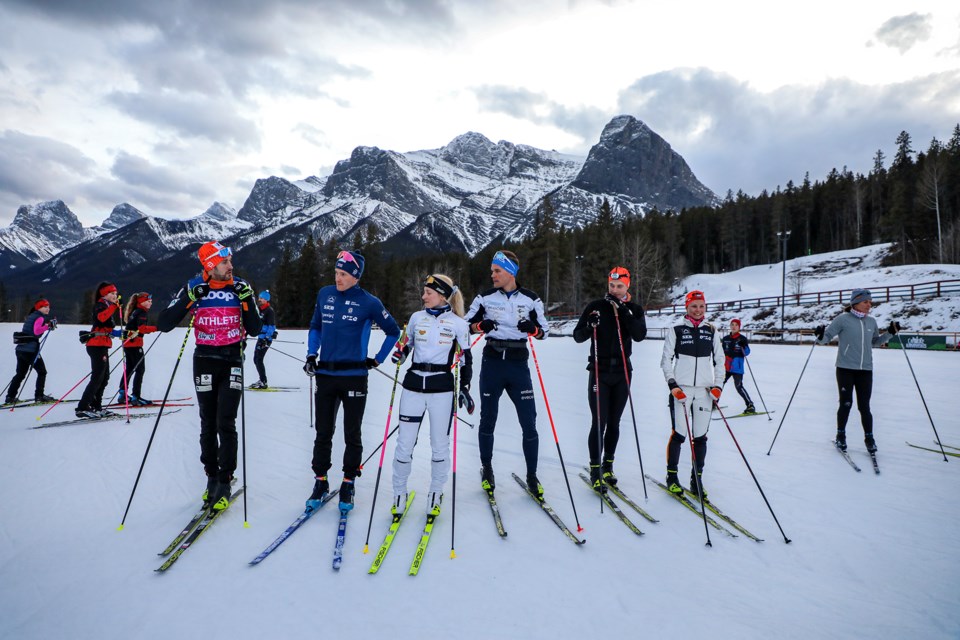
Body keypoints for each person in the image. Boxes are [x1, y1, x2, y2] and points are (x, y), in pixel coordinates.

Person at [158, 241, 262, 511]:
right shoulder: (194, 286)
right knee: (207, 421)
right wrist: (190, 298)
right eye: (225, 262)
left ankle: (226, 479)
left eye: (230, 261)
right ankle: (211, 477)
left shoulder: (238, 286)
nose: (231, 266)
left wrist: (248, 299)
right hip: (204, 360)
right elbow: (164, 323)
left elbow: (254, 329)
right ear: (210, 265)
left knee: (225, 421)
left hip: (231, 360)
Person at [303, 250, 401, 512]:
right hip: (326, 375)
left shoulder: (369, 302)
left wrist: (378, 359)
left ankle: (348, 482)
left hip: (355, 377)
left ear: (356, 276)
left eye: (344, 274)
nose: (338, 278)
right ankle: (320, 481)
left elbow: (394, 331)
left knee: (352, 433)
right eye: (336, 273)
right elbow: (316, 326)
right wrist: (312, 354)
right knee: (323, 432)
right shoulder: (325, 294)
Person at [466, 249, 549, 500]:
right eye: (492, 270)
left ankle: (532, 476)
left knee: (529, 422)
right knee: (488, 418)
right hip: (492, 362)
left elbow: (544, 331)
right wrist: (481, 326)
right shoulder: (485, 297)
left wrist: (532, 329)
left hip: (517, 364)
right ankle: (487, 469)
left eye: (497, 271)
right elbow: (465, 325)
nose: (492, 275)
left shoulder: (531, 299)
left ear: (510, 272)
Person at [389, 274, 473, 518]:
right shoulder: (416, 318)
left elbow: (466, 359)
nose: (423, 296)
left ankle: (436, 493)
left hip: (442, 389)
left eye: (428, 292)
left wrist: (465, 388)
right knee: (404, 444)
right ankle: (398, 493)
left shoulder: (458, 324)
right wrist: (400, 354)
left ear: (442, 295)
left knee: (439, 446)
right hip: (413, 385)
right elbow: (405, 345)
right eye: (424, 292)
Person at [572, 266, 647, 491]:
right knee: (599, 422)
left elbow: (640, 335)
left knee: (614, 423)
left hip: (623, 373)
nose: (615, 290)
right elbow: (577, 336)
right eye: (612, 286)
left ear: (627, 286)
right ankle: (595, 470)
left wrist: (624, 312)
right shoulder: (595, 307)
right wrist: (590, 324)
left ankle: (608, 466)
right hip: (600, 372)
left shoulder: (634, 309)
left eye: (620, 286)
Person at [813, 288, 896, 453]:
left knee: (864, 406)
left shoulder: (871, 321)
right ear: (855, 302)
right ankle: (841, 436)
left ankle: (869, 438)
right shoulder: (843, 319)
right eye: (866, 301)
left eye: (870, 302)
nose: (869, 305)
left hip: (865, 369)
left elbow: (874, 342)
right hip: (845, 369)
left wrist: (890, 334)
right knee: (846, 403)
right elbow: (825, 339)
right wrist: (820, 335)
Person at [659, 290, 724, 499]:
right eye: (694, 306)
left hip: (704, 392)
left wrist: (718, 386)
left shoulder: (712, 331)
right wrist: (673, 385)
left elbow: (720, 361)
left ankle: (697, 479)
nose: (698, 310)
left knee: (700, 438)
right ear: (687, 307)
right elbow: (666, 361)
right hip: (681, 390)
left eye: (701, 306)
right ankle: (672, 477)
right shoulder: (676, 330)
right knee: (679, 434)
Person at [76, 283, 123, 418]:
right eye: (112, 293)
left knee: (104, 377)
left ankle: (96, 407)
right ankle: (83, 407)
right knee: (97, 377)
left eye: (116, 293)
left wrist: (119, 333)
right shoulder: (100, 305)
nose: (115, 296)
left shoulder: (107, 306)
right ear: (104, 294)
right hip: (96, 345)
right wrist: (115, 306)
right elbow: (102, 318)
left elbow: (106, 327)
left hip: (102, 344)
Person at [4, 298, 57, 405]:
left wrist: (46, 326)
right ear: (39, 308)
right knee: (42, 372)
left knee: (20, 374)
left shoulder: (32, 316)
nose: (47, 309)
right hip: (30, 350)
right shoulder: (39, 317)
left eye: (48, 307)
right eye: (44, 307)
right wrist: (48, 326)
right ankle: (39, 396)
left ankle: (10, 397)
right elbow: (36, 331)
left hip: (21, 349)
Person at [118, 292, 157, 406]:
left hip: (128, 344)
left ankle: (122, 394)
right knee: (140, 370)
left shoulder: (135, 311)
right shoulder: (141, 312)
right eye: (148, 301)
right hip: (135, 344)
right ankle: (136, 396)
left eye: (151, 301)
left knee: (129, 369)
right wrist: (157, 327)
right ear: (142, 302)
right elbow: (142, 329)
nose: (151, 303)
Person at [721, 319, 755, 414]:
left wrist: (744, 346)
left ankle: (750, 405)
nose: (734, 326)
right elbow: (721, 352)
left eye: (736, 325)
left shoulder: (742, 339)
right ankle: (714, 402)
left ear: (739, 327)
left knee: (739, 386)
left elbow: (747, 352)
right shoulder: (725, 338)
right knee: (719, 384)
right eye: (732, 324)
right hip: (726, 366)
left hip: (737, 367)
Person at [249, 290, 277, 389]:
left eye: (261, 298)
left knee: (259, 359)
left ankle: (263, 381)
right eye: (259, 298)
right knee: (256, 359)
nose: (259, 299)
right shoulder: (259, 309)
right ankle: (262, 380)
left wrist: (266, 338)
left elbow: (271, 327)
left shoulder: (269, 311)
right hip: (260, 338)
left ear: (266, 299)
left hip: (265, 339)